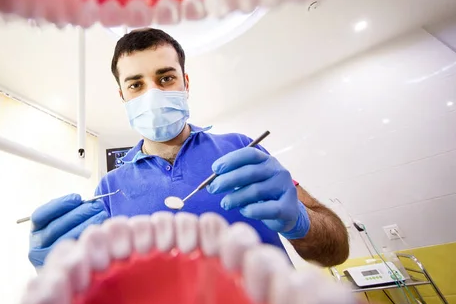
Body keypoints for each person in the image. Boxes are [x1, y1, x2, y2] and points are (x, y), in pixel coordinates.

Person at [28, 28, 349, 268]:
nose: (152, 93)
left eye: (165, 78)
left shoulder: (240, 149)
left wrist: (300, 221)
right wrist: (66, 273)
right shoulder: (110, 190)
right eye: (136, 84)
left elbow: (335, 252)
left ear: (186, 83)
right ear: (122, 96)